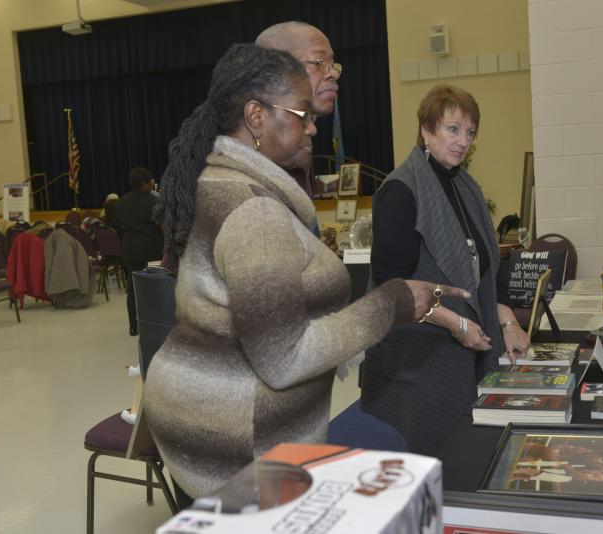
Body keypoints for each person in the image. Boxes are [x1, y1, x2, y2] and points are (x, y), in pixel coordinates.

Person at [144, 45, 467, 500]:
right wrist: (392, 303)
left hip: (203, 413)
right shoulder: (255, 212)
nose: (313, 127)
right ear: (256, 116)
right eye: (302, 115)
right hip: (238, 444)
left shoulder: (223, 184)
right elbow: (284, 359)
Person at [360, 84, 530, 455]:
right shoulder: (401, 191)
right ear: (425, 129)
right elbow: (392, 288)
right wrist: (457, 324)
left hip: (463, 350)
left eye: (470, 133)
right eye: (452, 129)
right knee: (435, 462)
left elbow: (488, 268)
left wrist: (508, 324)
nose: (462, 141)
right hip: (419, 361)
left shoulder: (464, 187)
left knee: (464, 457)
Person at [256, 21, 342, 198]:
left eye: (333, 64)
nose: (334, 73)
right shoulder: (252, 153)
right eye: (318, 62)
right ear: (275, 71)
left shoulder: (295, 140)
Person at [115, 167, 164, 336]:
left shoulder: (120, 203)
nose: (152, 184)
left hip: (130, 249)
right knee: (157, 286)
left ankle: (134, 326)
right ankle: (156, 323)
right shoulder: (155, 202)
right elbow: (162, 226)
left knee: (133, 287)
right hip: (153, 249)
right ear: (144, 183)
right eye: (150, 181)